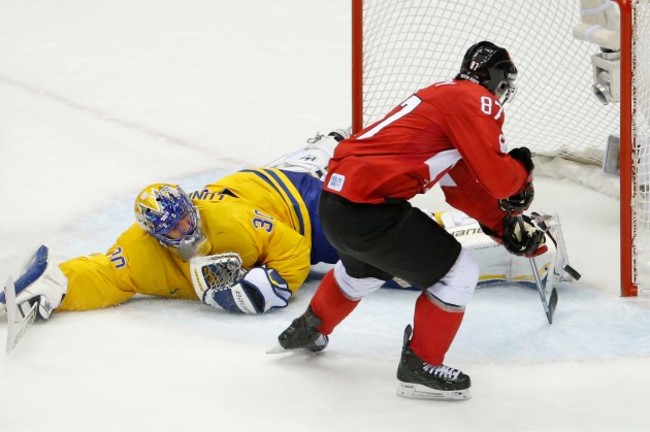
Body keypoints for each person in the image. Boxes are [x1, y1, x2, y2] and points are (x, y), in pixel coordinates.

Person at [275, 41, 548, 401]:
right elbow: (499, 180)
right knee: (458, 272)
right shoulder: (473, 100)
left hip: (335, 204)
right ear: (498, 80)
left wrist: (503, 226)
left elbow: (460, 188)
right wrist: (522, 175)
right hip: (370, 208)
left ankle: (310, 327)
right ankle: (421, 366)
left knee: (365, 270)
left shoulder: (442, 98)